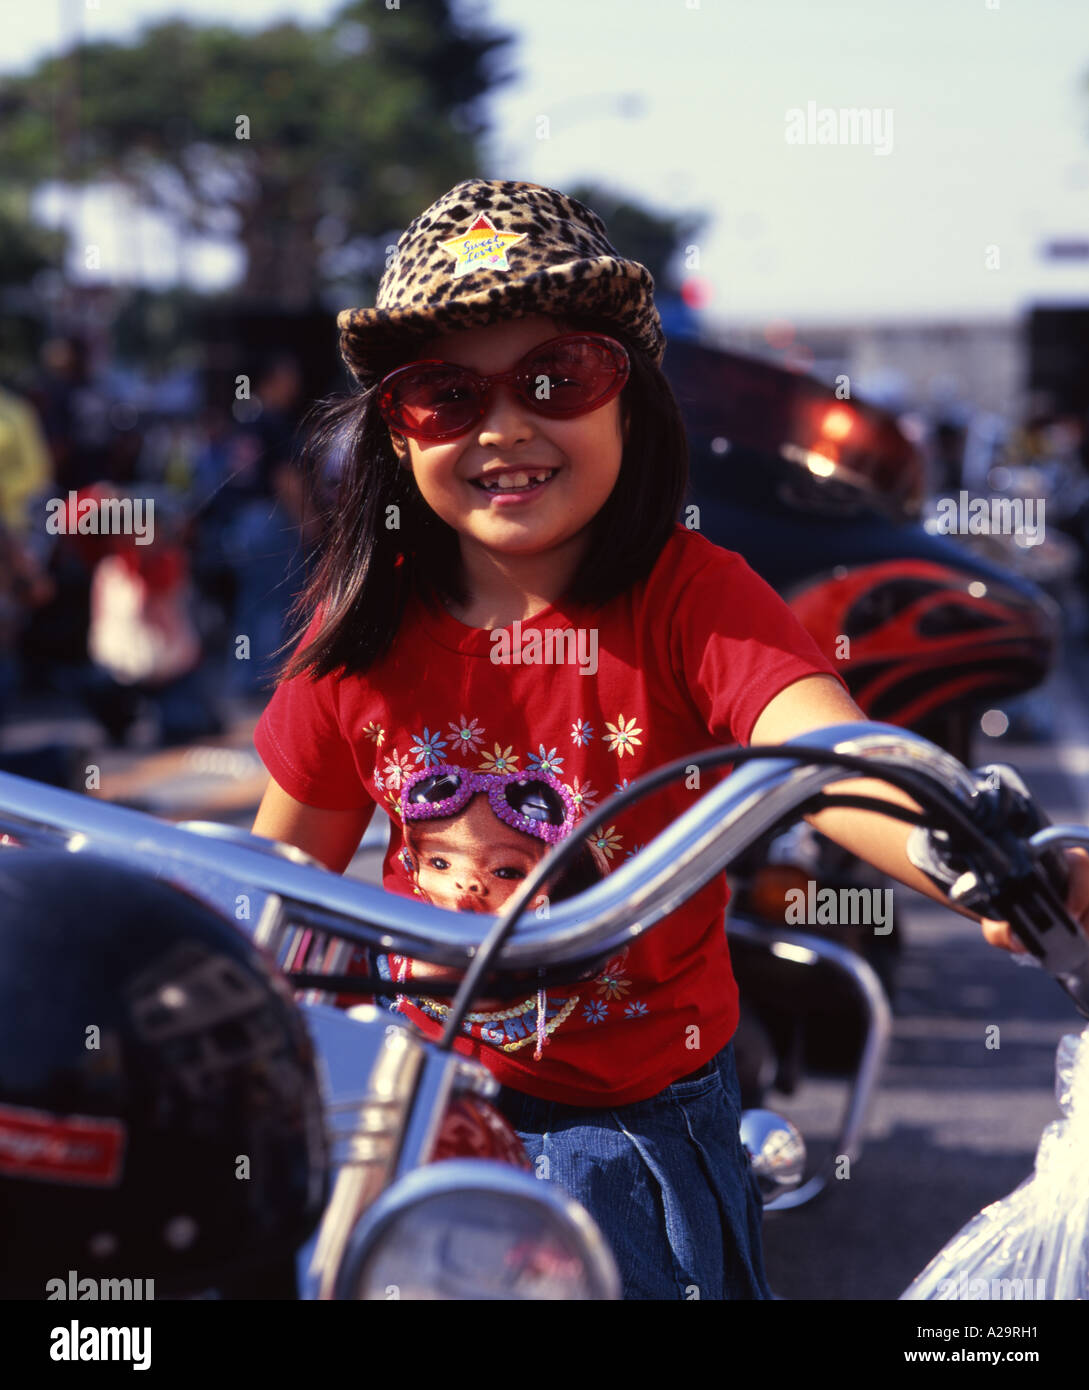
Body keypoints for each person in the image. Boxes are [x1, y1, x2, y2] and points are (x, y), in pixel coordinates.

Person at [250, 177, 1089, 1300]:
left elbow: (827, 761)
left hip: (640, 1128)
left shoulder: (692, 597)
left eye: (557, 378)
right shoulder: (361, 625)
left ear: (630, 402)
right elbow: (274, 879)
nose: (504, 427)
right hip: (423, 1106)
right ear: (396, 438)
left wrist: (980, 865)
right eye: (445, 394)